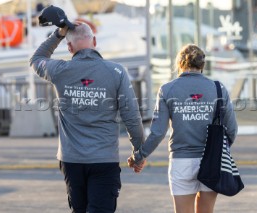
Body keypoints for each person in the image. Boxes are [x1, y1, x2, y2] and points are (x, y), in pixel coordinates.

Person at [30, 22, 145, 213]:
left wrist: (58, 34)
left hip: (71, 161)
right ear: (94, 41)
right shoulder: (116, 72)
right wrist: (139, 153)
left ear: (69, 47)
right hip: (103, 159)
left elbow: (37, 58)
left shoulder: (59, 69)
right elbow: (131, 116)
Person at [128, 44, 238, 213]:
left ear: (180, 64)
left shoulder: (167, 90)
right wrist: (218, 150)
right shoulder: (219, 89)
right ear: (202, 65)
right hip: (211, 160)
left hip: (182, 161)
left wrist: (139, 156)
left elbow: (158, 133)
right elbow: (231, 129)